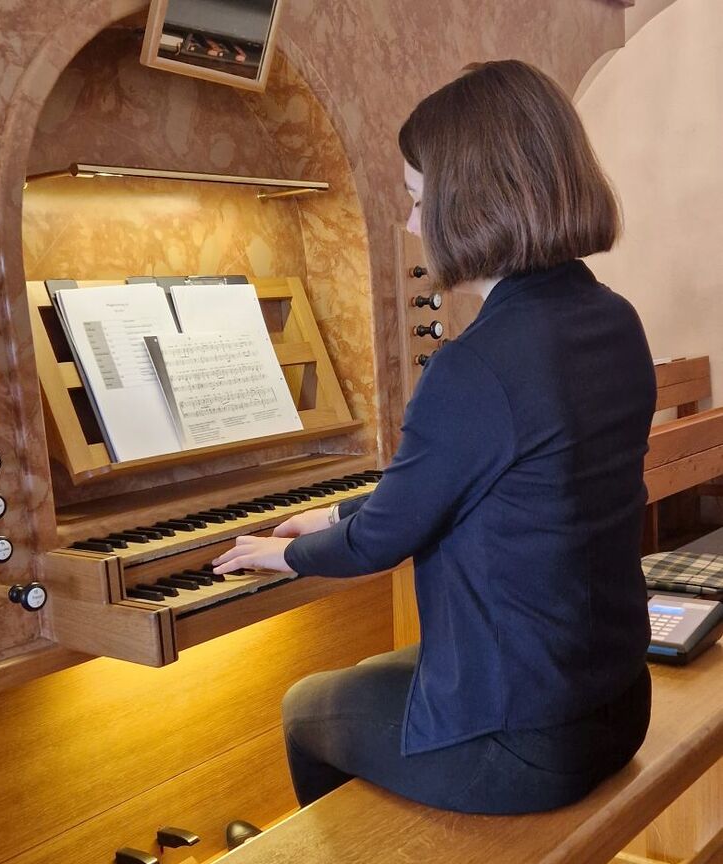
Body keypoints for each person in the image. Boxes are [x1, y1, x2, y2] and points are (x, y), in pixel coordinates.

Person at [212, 60, 657, 815]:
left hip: (529, 742)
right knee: (376, 677)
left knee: (306, 708)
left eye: (420, 201)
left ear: (475, 203)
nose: (414, 226)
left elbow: (379, 542)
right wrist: (332, 513)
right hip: (615, 700)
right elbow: (468, 485)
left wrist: (280, 554)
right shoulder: (613, 319)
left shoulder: (475, 366)